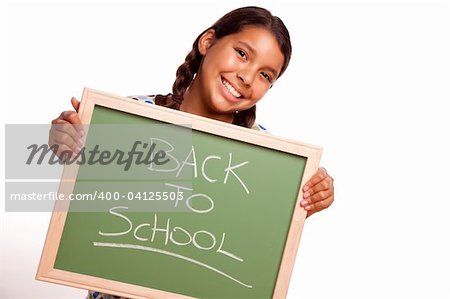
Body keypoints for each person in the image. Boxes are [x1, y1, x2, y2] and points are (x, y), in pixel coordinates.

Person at [49, 6, 334, 299]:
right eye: (242, 53)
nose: (247, 77)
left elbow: (256, 245)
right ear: (208, 42)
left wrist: (308, 197)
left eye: (264, 75)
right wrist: (69, 145)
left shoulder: (269, 161)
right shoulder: (132, 117)